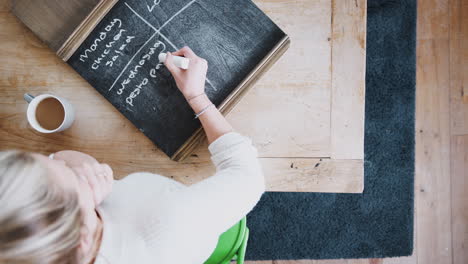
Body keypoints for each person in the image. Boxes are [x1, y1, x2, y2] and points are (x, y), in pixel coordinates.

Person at [0, 47, 265, 264]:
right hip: (202, 233)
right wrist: (197, 95)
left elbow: (58, 161)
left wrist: (82, 167)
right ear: (82, 239)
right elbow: (247, 176)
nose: (60, 163)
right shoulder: (168, 220)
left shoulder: (44, 244)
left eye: (43, 160)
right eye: (75, 179)